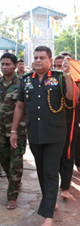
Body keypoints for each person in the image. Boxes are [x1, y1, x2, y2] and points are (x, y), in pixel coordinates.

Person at [10, 46, 77, 226]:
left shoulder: (59, 78)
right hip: (35, 133)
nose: (38, 60)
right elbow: (20, 107)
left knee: (50, 171)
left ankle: (48, 216)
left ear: (49, 60)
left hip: (55, 133)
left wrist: (68, 74)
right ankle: (50, 199)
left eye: (42, 57)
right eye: (36, 57)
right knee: (41, 170)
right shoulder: (26, 80)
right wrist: (14, 131)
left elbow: (71, 97)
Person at [54, 53, 80, 198]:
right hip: (53, 124)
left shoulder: (73, 78)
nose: (59, 68)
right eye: (55, 66)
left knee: (69, 152)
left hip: (70, 121)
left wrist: (74, 78)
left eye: (61, 65)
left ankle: (65, 187)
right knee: (55, 156)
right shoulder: (49, 80)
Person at [0, 53, 27, 210]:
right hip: (1, 130)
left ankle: (12, 196)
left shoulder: (22, 83)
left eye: (8, 64)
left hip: (18, 131)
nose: (4, 67)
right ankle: (15, 182)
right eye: (2, 64)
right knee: (4, 159)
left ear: (15, 66)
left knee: (16, 162)